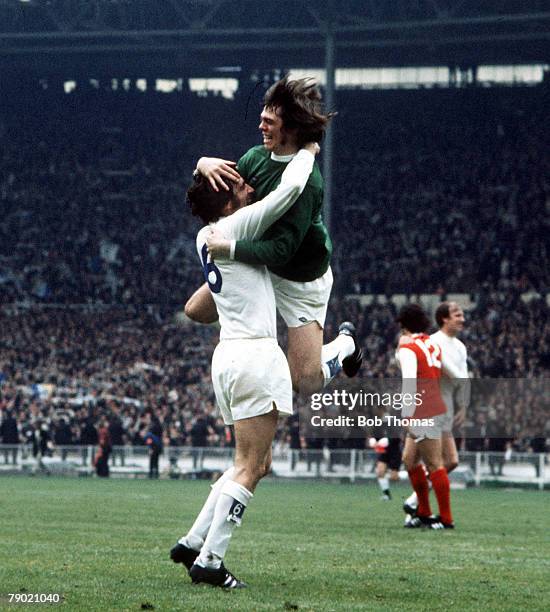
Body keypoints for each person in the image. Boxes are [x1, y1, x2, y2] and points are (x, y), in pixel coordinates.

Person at [170, 142, 320, 589]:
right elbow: (289, 191)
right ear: (230, 202)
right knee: (250, 466)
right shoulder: (235, 224)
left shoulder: (205, 237)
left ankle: (194, 541)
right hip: (255, 354)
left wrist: (200, 161)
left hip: (227, 357)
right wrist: (309, 150)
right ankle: (211, 561)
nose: (248, 186)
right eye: (239, 185)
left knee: (253, 462)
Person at [184, 76, 362, 395]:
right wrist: (202, 164)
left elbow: (282, 250)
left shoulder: (308, 183)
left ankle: (346, 344)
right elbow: (223, 192)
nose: (261, 126)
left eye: (269, 121)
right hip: (258, 261)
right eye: (262, 118)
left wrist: (230, 248)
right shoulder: (255, 158)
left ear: (291, 130)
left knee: (305, 383)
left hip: (299, 278)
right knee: (195, 310)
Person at [402, 301, 469, 516]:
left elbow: (463, 378)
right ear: (444, 319)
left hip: (436, 408)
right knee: (439, 461)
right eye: (457, 314)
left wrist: (464, 404)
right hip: (432, 407)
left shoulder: (459, 347)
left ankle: (419, 507)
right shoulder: (432, 342)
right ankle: (419, 507)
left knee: (425, 461)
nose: (462, 318)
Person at [396, 304, 455, 530]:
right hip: (434, 406)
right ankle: (424, 511)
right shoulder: (431, 343)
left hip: (423, 410)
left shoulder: (409, 347)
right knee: (409, 460)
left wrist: (407, 414)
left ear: (403, 326)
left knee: (434, 464)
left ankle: (445, 519)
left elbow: (410, 380)